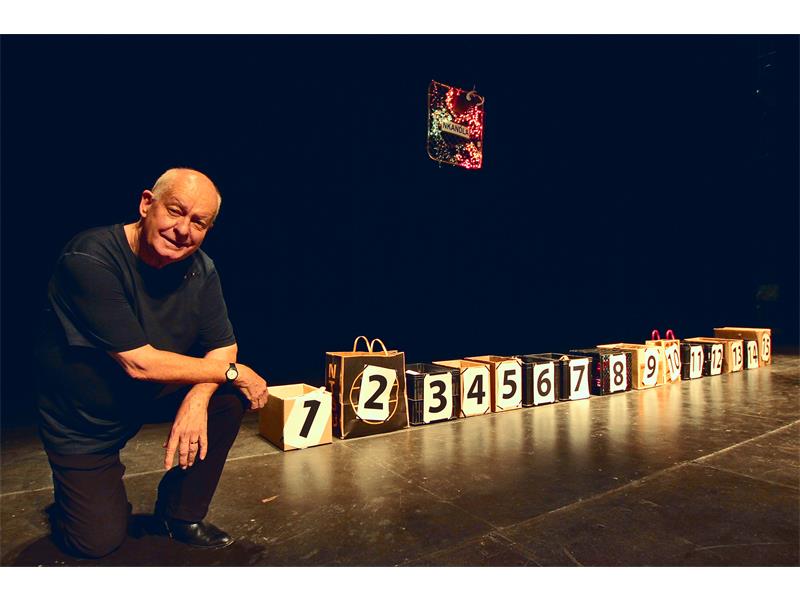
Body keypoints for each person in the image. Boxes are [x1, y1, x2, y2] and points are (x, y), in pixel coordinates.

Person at [34, 167, 269, 558]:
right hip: (84, 421)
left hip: (145, 396)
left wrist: (198, 399)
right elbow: (139, 363)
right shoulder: (89, 257)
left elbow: (223, 346)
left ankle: (179, 514)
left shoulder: (201, 269)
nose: (183, 230)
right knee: (97, 542)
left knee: (226, 398)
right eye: (175, 211)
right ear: (147, 204)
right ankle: (77, 501)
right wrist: (232, 372)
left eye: (199, 222)